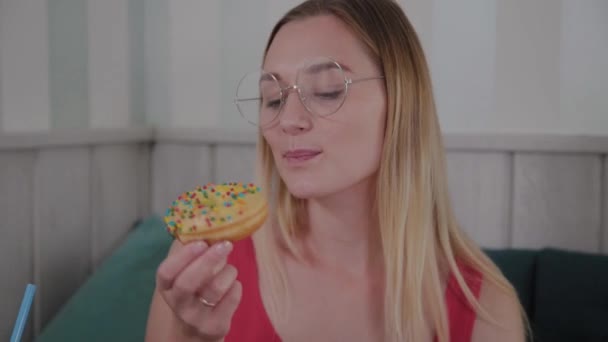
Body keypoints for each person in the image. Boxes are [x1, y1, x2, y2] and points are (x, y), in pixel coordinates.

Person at [145, 0, 528, 341]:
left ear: (401, 100)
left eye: (327, 90)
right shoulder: (206, 267)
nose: (288, 120)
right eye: (273, 98)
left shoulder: (487, 311)